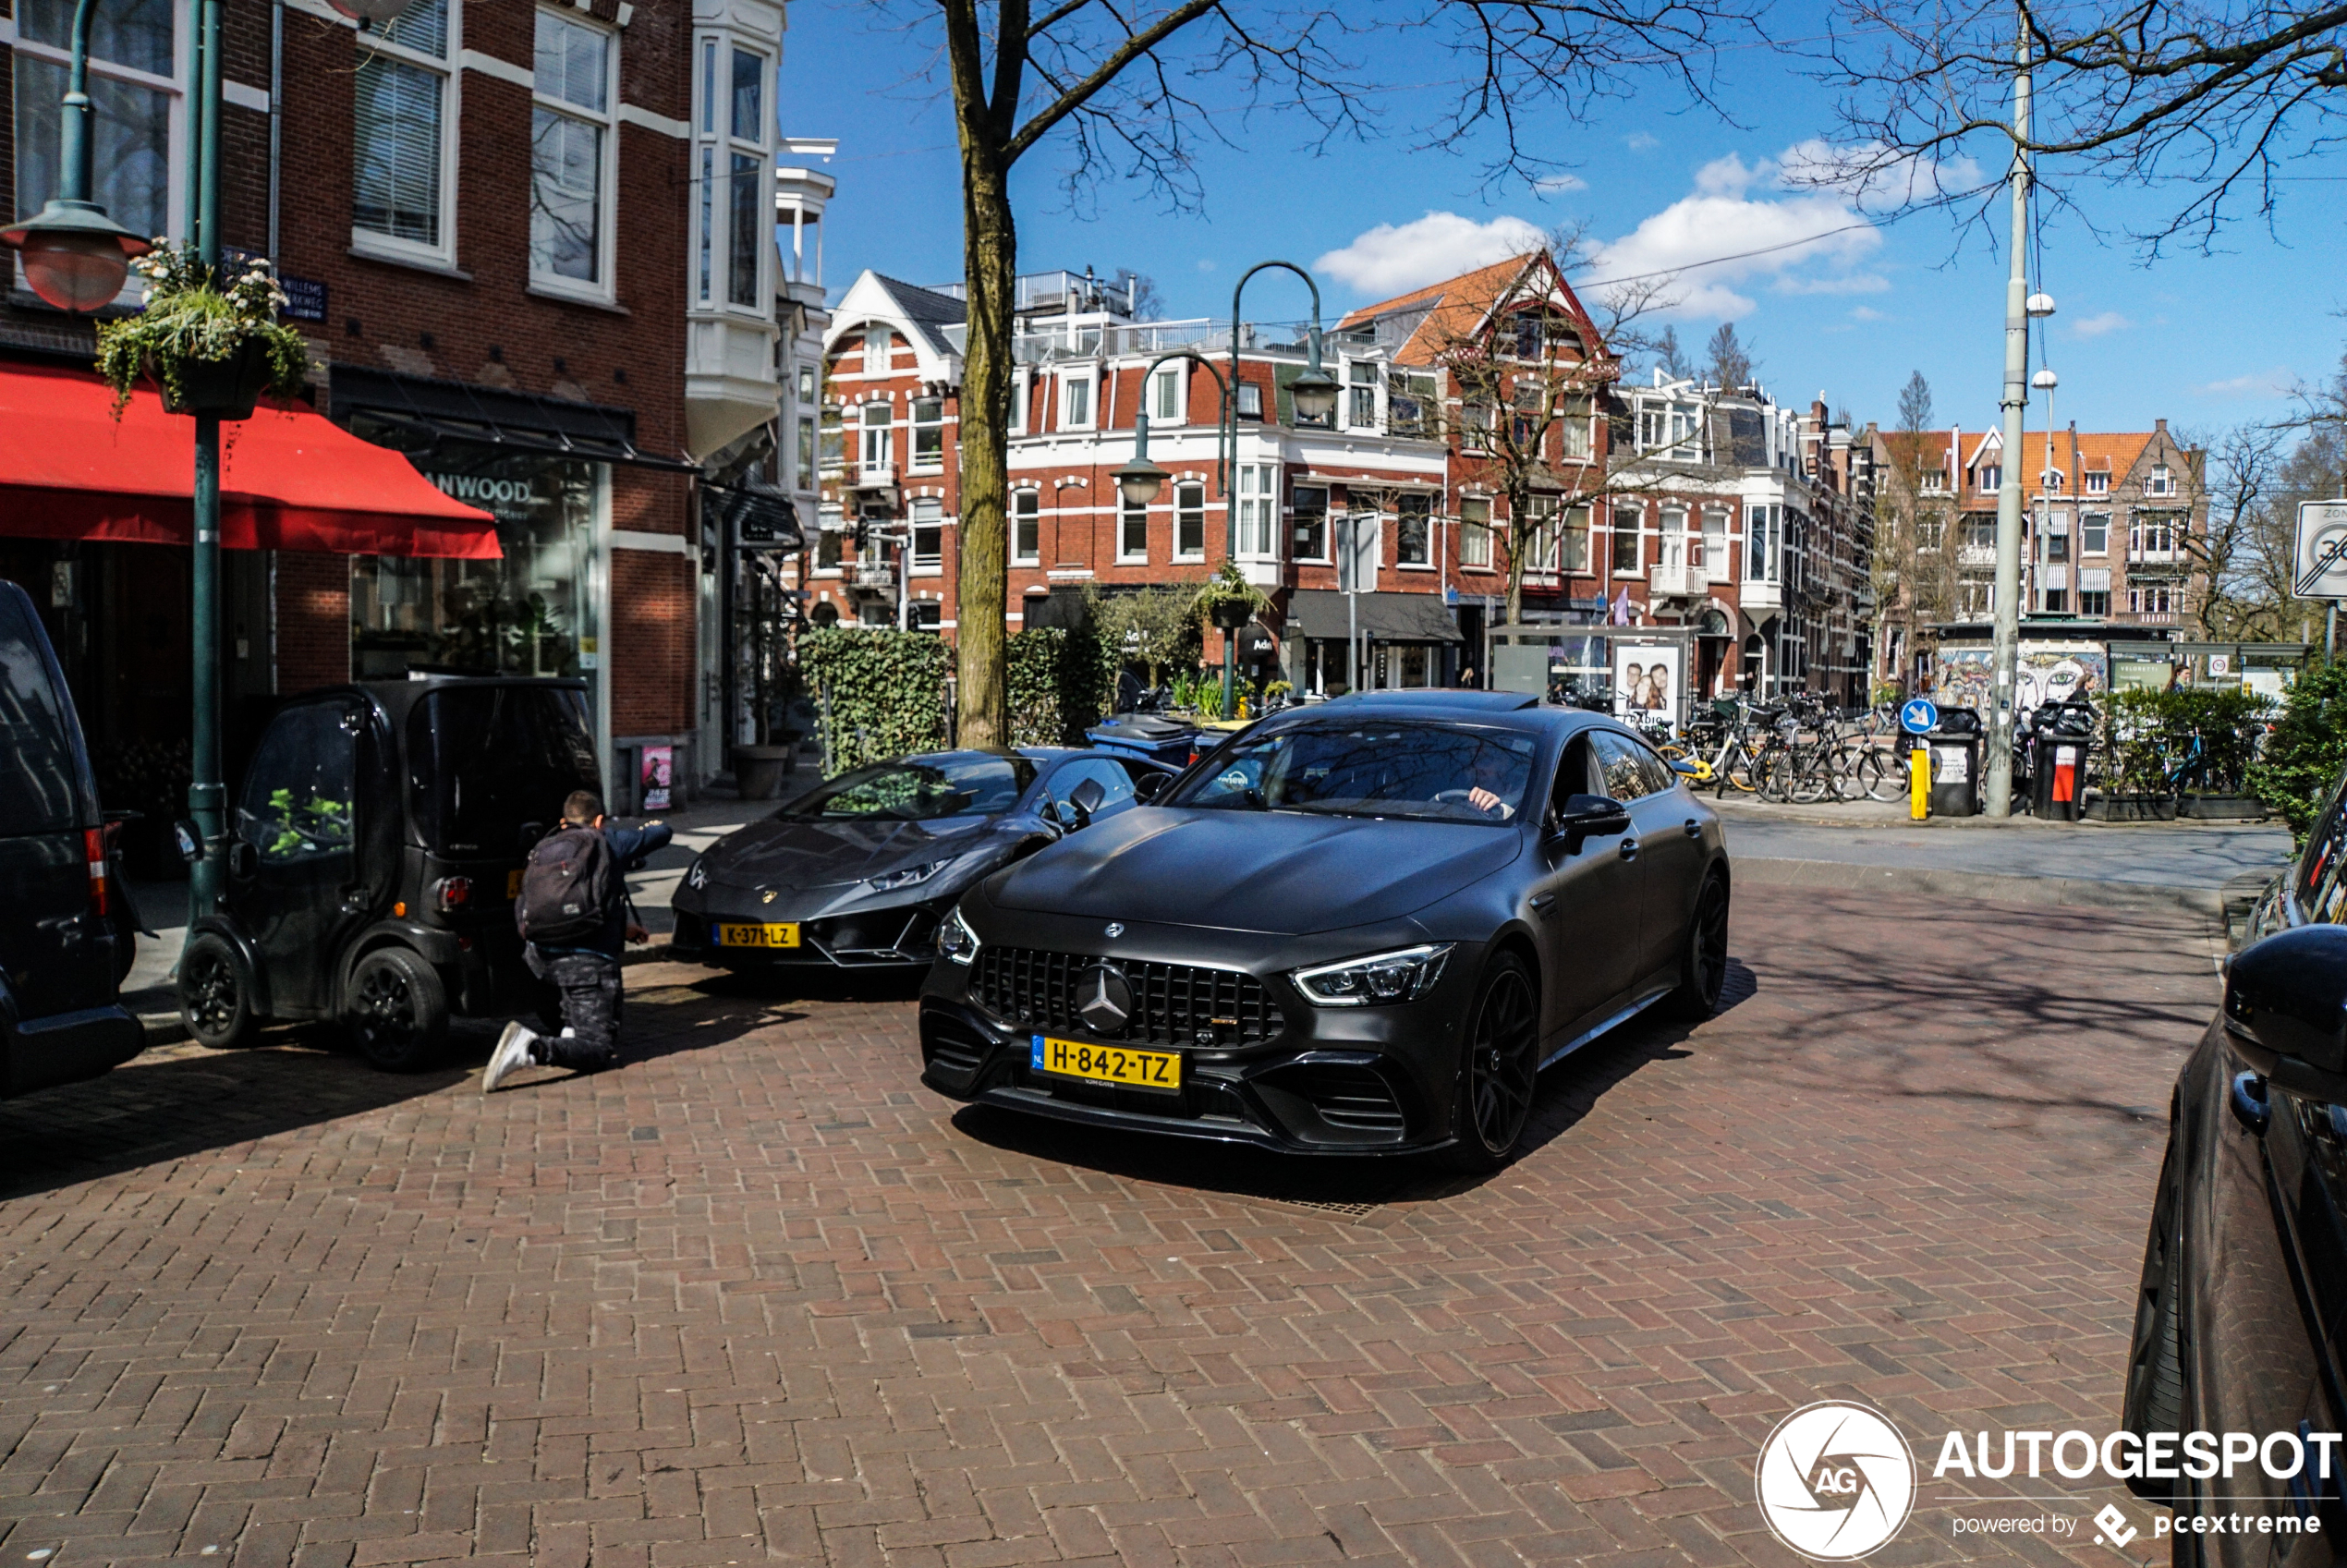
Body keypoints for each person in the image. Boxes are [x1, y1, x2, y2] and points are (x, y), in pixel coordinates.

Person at [483, 790, 672, 1092]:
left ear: (563, 821)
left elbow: (577, 903)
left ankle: (568, 1040)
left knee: (577, 1017)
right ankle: (531, 1048)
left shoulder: (545, 845)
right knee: (598, 1047)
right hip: (588, 962)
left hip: (543, 957)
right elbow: (663, 832)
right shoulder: (606, 841)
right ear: (598, 820)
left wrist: (623, 929)